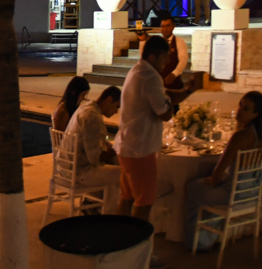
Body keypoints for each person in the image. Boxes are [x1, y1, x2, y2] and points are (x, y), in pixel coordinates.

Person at [115, 35, 199, 226]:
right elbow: (165, 114)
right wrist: (169, 104)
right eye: (164, 58)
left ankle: (119, 244)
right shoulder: (150, 77)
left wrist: (188, 91)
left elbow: (166, 96)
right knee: (144, 203)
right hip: (140, 150)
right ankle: (137, 248)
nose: (167, 62)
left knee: (127, 198)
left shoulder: (137, 70)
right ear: (153, 57)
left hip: (128, 147)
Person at [183, 91, 262, 251]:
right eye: (240, 105)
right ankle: (210, 237)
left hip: (235, 194)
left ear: (255, 114)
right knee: (203, 187)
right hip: (254, 189)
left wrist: (211, 180)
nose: (239, 110)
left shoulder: (239, 137)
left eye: (246, 109)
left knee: (193, 187)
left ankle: (198, 242)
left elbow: (217, 175)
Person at [64, 85, 123, 213]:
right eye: (116, 107)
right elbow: (95, 158)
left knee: (113, 163)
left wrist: (111, 147)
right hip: (78, 172)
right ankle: (108, 215)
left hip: (67, 168)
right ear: (109, 100)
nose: (116, 112)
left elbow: (93, 140)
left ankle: (92, 204)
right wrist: (119, 146)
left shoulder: (87, 108)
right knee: (122, 174)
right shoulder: (92, 116)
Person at [153, 16, 189, 91]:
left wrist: (174, 74)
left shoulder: (179, 41)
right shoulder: (157, 42)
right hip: (158, 85)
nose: (165, 29)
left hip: (175, 85)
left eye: (168, 26)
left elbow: (183, 60)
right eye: (163, 26)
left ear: (173, 27)